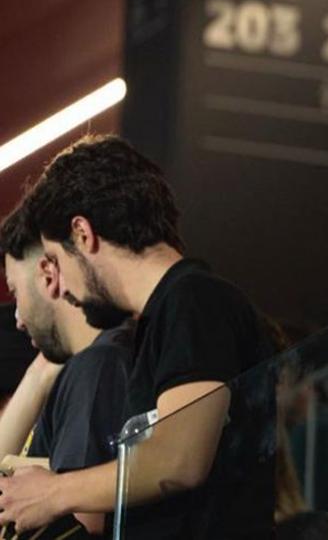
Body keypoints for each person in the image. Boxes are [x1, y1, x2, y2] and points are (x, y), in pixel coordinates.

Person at [0, 135, 276, 538]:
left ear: (82, 234)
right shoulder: (166, 314)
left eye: (56, 259)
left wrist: (54, 492)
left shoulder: (194, 299)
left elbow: (180, 458)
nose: (63, 289)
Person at [0, 200, 134, 536]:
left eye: (16, 294)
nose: (18, 319)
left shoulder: (96, 367)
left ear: (49, 275)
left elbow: (86, 522)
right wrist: (41, 372)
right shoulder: (81, 366)